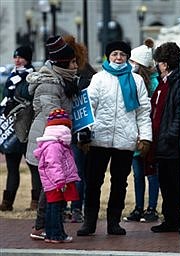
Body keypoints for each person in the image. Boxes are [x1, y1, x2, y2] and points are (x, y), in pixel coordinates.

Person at [77, 40, 152, 236]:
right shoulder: (99, 78)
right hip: (98, 139)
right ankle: (89, 222)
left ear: (127, 57)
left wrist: (145, 138)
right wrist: (84, 135)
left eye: (122, 54)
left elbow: (143, 112)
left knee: (120, 183)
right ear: (108, 57)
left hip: (125, 140)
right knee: (93, 182)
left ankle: (113, 223)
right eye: (114, 54)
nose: (118, 58)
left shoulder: (136, 81)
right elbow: (89, 107)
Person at [26, 35, 79, 240]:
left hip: (56, 140)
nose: (76, 65)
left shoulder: (63, 80)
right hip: (48, 142)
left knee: (49, 189)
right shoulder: (50, 84)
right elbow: (54, 115)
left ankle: (44, 226)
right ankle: (44, 228)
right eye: (73, 62)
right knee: (51, 189)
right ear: (64, 63)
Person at [0, 46, 41, 211]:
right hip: (11, 127)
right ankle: (7, 202)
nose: (17, 60)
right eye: (15, 57)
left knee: (33, 165)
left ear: (28, 59)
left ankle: (35, 202)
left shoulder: (33, 76)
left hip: (27, 127)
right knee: (11, 167)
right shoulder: (11, 77)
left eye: (21, 57)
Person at [61, 34, 97, 223]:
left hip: (77, 131)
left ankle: (76, 207)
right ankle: (64, 207)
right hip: (60, 129)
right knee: (64, 170)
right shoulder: (57, 74)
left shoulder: (86, 74)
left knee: (77, 171)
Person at [124, 38, 160, 223]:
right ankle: (138, 207)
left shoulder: (154, 84)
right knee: (137, 174)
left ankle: (151, 208)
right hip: (134, 133)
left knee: (151, 174)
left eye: (133, 62)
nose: (131, 65)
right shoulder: (132, 81)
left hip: (149, 135)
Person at [147, 42, 180, 233]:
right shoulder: (164, 83)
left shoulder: (175, 83)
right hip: (162, 143)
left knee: (172, 185)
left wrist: (169, 136)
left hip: (169, 144)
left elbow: (177, 112)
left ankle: (173, 220)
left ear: (165, 64)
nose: (157, 66)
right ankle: (170, 219)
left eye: (159, 62)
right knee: (166, 185)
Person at [34, 108, 80, 243]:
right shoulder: (54, 145)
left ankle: (50, 233)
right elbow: (54, 165)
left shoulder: (55, 144)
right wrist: (60, 181)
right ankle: (56, 234)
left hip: (54, 183)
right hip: (57, 183)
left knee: (54, 208)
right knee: (57, 209)